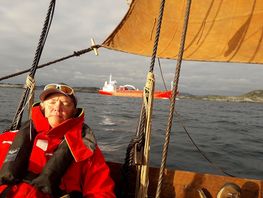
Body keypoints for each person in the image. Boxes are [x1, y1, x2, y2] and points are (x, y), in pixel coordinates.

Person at [0, 83, 116, 197]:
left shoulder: (85, 149)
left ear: (74, 112)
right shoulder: (8, 138)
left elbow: (102, 192)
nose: (57, 108)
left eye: (65, 104)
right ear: (42, 107)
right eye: (52, 102)